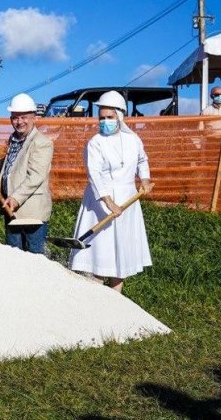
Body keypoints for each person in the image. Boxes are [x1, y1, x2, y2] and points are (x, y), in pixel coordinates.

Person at [69, 90, 153, 293]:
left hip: (127, 201)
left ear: (120, 117)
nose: (105, 121)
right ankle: (97, 300)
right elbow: (95, 175)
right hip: (100, 203)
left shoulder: (133, 139)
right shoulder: (95, 143)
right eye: (102, 118)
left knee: (121, 252)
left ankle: (117, 299)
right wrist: (108, 202)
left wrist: (145, 179)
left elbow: (143, 160)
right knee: (101, 251)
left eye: (109, 117)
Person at [0, 93, 54, 253]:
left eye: (24, 117)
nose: (19, 122)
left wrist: (16, 197)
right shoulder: (15, 139)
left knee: (35, 257)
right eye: (15, 117)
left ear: (33, 117)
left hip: (31, 210)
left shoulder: (41, 142)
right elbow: (12, 160)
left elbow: (36, 176)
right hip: (11, 208)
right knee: (13, 257)